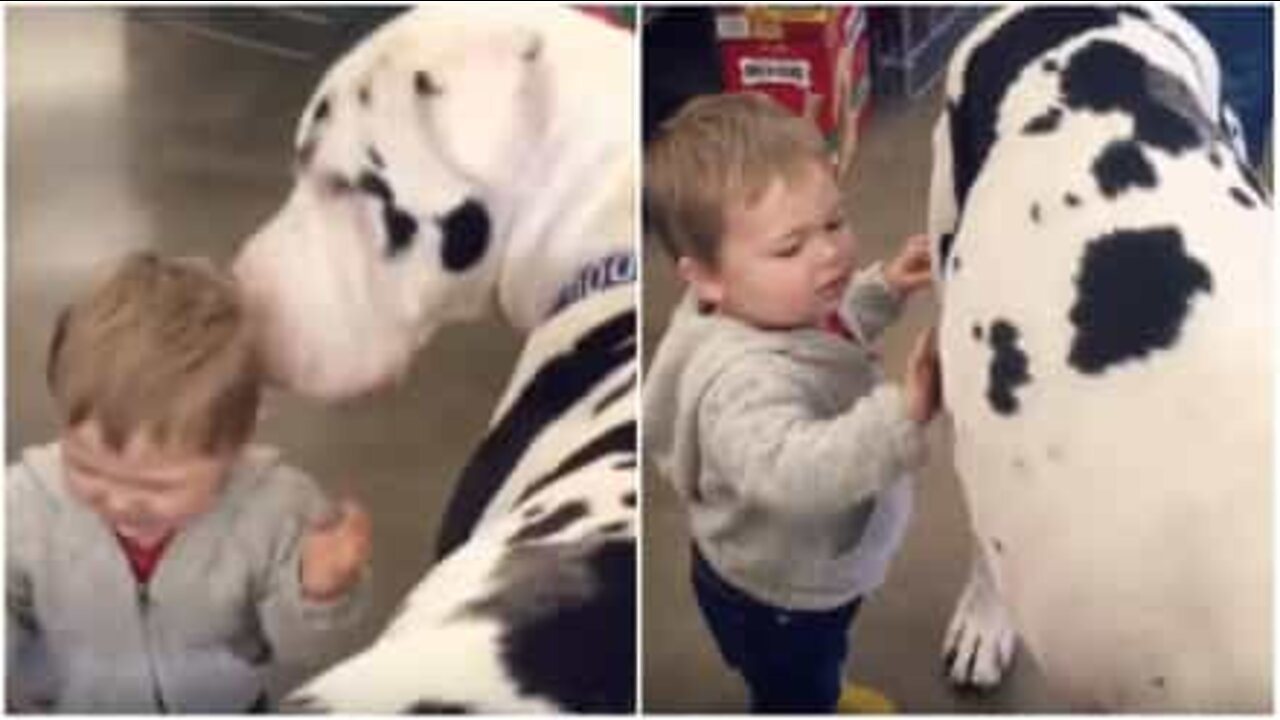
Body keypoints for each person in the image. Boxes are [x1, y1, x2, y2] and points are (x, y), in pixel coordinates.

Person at [643, 92, 940, 713]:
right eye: (790, 247)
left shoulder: (773, 304)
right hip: (779, 596)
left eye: (834, 223)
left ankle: (818, 684)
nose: (829, 252)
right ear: (706, 278)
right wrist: (903, 412)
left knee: (816, 661)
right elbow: (797, 472)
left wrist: (882, 290)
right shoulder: (739, 386)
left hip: (795, 573)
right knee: (793, 687)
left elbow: (828, 325)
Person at [7, 252, 373, 712]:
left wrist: (320, 592)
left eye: (157, 486)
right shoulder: (22, 506)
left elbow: (303, 651)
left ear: (236, 445)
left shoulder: (279, 512)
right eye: (86, 467)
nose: (119, 501)